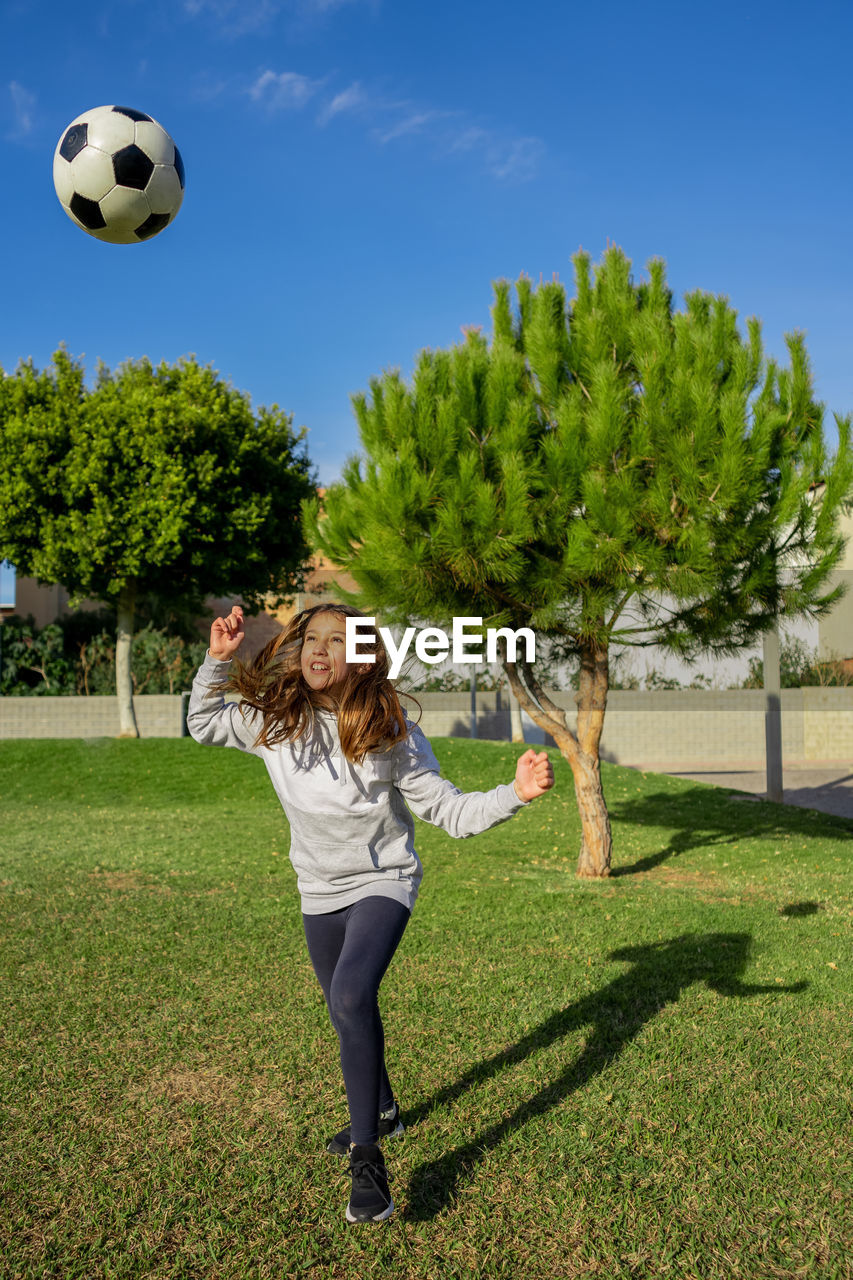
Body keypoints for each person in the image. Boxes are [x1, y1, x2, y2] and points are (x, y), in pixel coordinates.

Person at [187, 601, 555, 1224]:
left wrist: (513, 793)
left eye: (337, 640)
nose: (318, 650)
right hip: (317, 890)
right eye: (310, 639)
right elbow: (203, 722)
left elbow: (451, 813)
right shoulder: (275, 722)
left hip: (384, 881)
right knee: (343, 1005)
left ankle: (368, 1157)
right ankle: (383, 1108)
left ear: (362, 657)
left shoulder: (391, 733)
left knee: (351, 997)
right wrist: (217, 662)